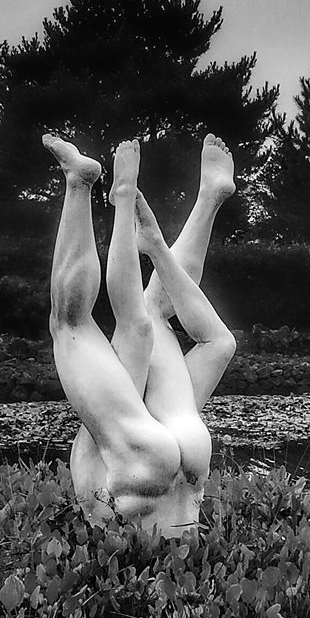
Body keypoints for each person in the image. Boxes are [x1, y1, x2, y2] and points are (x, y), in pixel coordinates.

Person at [43, 132, 237, 537]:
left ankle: (80, 182)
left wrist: (126, 200)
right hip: (188, 452)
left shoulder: (105, 432)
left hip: (147, 460)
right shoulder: (135, 410)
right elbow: (134, 318)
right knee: (147, 315)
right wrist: (135, 221)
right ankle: (204, 202)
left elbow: (133, 321)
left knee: (72, 324)